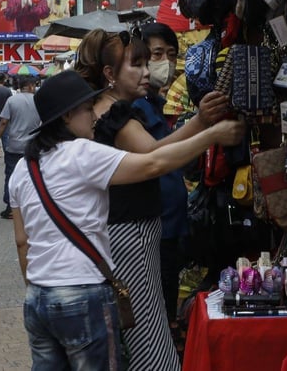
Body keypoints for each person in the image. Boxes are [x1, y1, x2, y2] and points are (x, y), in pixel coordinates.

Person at [8, 70, 244, 370]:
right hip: (81, 293)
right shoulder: (81, 153)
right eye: (87, 109)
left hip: (38, 299)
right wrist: (210, 135)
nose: (94, 116)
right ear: (68, 116)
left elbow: (21, 242)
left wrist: (39, 287)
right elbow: (153, 163)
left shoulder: (23, 168)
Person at [74, 27, 231, 370]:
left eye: (150, 61)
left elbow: (158, 151)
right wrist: (209, 129)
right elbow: (156, 158)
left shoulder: (107, 109)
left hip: (125, 233)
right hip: (129, 236)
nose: (148, 72)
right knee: (149, 335)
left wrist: (202, 123)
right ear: (110, 74)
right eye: (138, 64)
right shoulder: (114, 113)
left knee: (139, 325)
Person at [135, 22, 187, 351]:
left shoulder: (156, 103)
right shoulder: (134, 109)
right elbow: (156, 157)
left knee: (167, 301)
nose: (164, 62)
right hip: (156, 227)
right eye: (156, 54)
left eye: (170, 54)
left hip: (170, 225)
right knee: (159, 312)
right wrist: (206, 128)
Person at [0, 75, 40, 219]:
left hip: (14, 145)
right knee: (33, 176)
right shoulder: (39, 101)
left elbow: (3, 122)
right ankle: (32, 207)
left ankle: (10, 208)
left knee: (11, 176)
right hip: (34, 146)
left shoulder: (12, 100)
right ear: (32, 86)